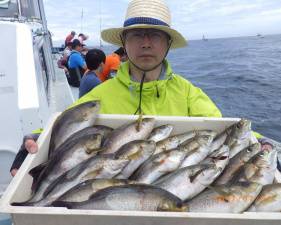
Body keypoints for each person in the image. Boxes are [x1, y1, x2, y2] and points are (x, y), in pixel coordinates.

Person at [11, 0, 264, 176]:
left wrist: (261, 143)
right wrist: (35, 139)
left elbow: (225, 128)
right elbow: (65, 124)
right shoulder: (100, 94)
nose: (145, 43)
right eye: (136, 35)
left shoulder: (188, 92)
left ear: (167, 43)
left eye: (154, 34)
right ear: (124, 42)